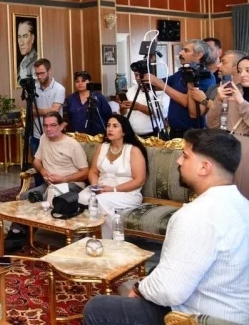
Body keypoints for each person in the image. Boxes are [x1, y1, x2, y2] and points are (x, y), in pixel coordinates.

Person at [83, 129, 249, 325]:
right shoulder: (242, 205)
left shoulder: (196, 215)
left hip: (200, 317)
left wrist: (138, 288)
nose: (178, 161)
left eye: (185, 156)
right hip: (236, 312)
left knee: (97, 307)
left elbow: (169, 291)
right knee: (153, 273)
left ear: (204, 167)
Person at [6, 112, 88, 250]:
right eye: (46, 125)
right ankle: (18, 233)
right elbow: (36, 161)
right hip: (50, 184)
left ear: (61, 126)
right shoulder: (44, 138)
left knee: (47, 197)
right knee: (26, 197)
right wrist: (43, 171)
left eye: (53, 125)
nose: (49, 129)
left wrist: (63, 179)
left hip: (72, 186)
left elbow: (85, 172)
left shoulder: (72, 145)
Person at [78, 114, 147, 238]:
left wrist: (113, 189)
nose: (110, 129)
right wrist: (95, 186)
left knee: (100, 200)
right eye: (108, 126)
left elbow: (139, 180)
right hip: (101, 189)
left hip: (127, 193)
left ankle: (105, 240)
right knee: (82, 197)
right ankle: (84, 236)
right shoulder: (102, 147)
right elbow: (93, 171)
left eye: (115, 126)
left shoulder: (133, 150)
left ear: (124, 131)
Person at [145, 39, 214, 138]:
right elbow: (155, 84)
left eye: (186, 51)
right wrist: (146, 71)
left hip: (192, 133)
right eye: (182, 50)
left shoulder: (206, 76)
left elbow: (187, 101)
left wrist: (160, 84)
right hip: (174, 131)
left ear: (199, 55)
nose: (180, 53)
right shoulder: (181, 73)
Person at [204, 55, 249, 199]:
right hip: (228, 148)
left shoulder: (239, 98)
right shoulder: (235, 92)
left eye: (248, 70)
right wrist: (218, 100)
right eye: (240, 70)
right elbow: (212, 124)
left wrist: (242, 103)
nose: (242, 75)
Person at [30, 59, 66, 156]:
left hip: (54, 133)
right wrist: (47, 111)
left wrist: (37, 112)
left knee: (53, 161)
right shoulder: (33, 88)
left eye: (42, 73)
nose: (39, 76)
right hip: (36, 133)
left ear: (49, 71)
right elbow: (31, 111)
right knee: (37, 162)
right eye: (37, 74)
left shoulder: (59, 89)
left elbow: (55, 111)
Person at [120, 71, 169, 138]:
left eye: (140, 75)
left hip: (153, 136)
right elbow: (124, 114)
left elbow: (162, 113)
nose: (138, 78)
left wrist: (139, 107)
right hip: (132, 135)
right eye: (136, 75)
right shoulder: (130, 90)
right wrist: (122, 108)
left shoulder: (161, 91)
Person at [65, 71, 112, 136]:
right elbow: (69, 119)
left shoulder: (99, 98)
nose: (80, 83)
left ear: (90, 82)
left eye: (83, 81)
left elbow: (108, 116)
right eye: (77, 81)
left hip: (97, 137)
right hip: (77, 136)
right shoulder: (71, 99)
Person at [16, 19, 38, 86]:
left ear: (32, 38)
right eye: (19, 37)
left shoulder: (36, 61)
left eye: (25, 36)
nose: (21, 43)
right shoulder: (22, 60)